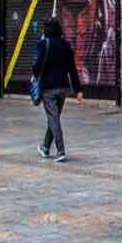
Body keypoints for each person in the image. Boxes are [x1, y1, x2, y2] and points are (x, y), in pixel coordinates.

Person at [33, 18, 83, 162]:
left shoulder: (43, 44)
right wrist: (78, 89)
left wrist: (36, 75)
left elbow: (36, 67)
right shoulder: (65, 45)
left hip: (48, 88)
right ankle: (45, 147)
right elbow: (72, 69)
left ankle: (61, 152)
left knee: (53, 118)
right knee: (54, 118)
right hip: (63, 87)